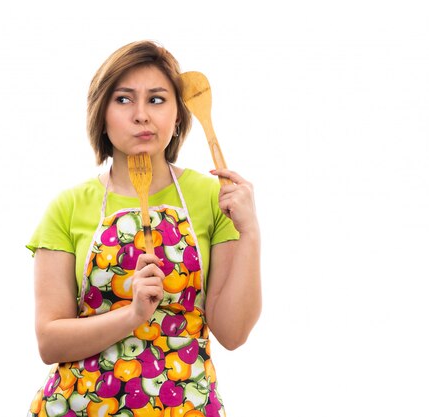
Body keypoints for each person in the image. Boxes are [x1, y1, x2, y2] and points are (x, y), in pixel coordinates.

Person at [26, 40, 261, 417]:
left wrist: (249, 233)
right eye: (123, 99)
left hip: (185, 407)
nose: (141, 115)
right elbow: (49, 342)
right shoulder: (68, 207)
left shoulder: (214, 198)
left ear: (179, 115)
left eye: (156, 99)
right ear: (101, 114)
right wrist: (132, 316)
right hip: (79, 405)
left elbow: (233, 334)